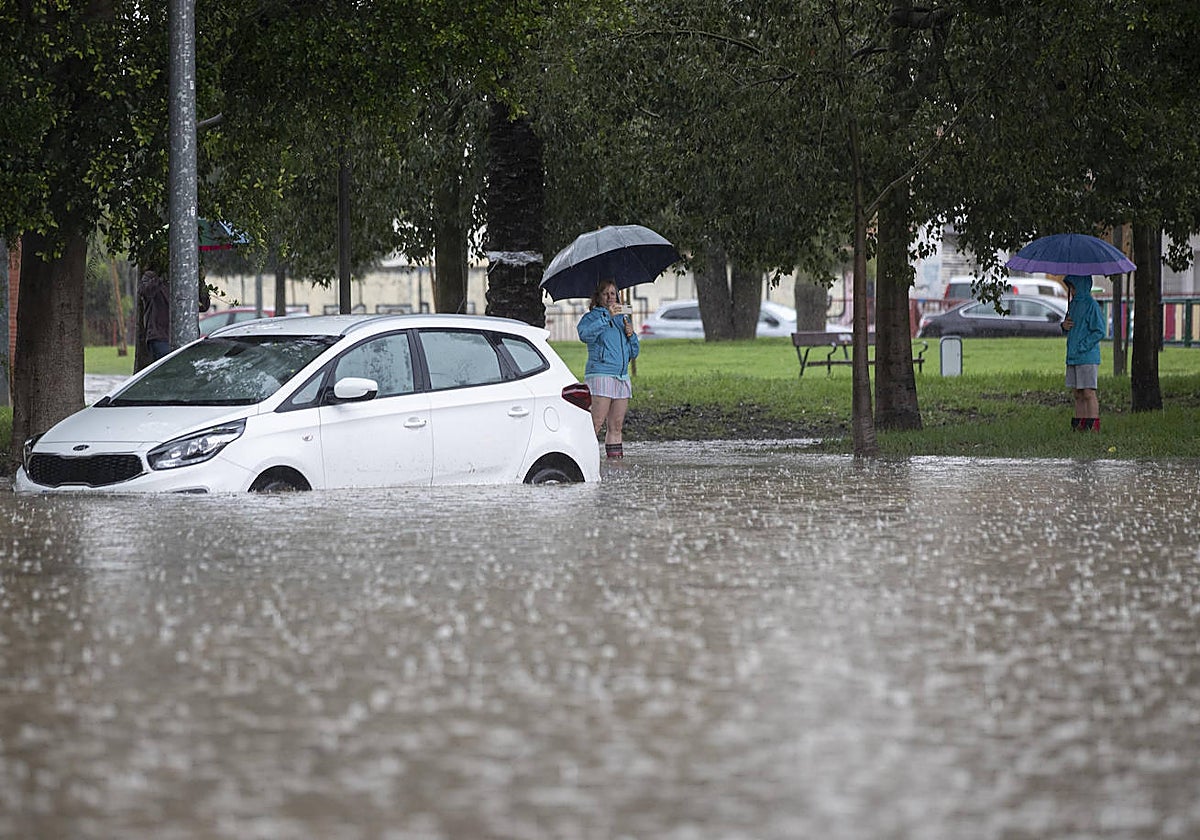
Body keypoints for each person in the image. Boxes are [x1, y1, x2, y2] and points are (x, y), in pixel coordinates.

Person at [577, 278, 640, 458]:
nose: (610, 297)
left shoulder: (623, 318)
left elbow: (633, 352)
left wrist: (631, 335)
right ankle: (582, 458)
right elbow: (585, 335)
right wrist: (606, 317)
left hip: (621, 376)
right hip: (601, 374)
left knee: (617, 425)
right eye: (606, 293)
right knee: (596, 422)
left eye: (613, 293)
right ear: (598, 297)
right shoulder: (592, 317)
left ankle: (615, 464)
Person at [1061, 273, 1106, 431]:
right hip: (1073, 356)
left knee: (1088, 392)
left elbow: (1099, 331)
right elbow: (1072, 328)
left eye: (1074, 287)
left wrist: (1082, 346)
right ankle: (1080, 425)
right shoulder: (1072, 305)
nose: (1072, 291)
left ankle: (1093, 424)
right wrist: (1064, 326)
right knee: (1077, 393)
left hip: (1087, 356)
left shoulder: (1091, 305)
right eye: (1070, 287)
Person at [138, 262, 171, 362]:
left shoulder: (184, 280)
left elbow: (203, 306)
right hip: (160, 337)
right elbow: (145, 291)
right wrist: (159, 280)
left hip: (176, 337)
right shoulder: (151, 278)